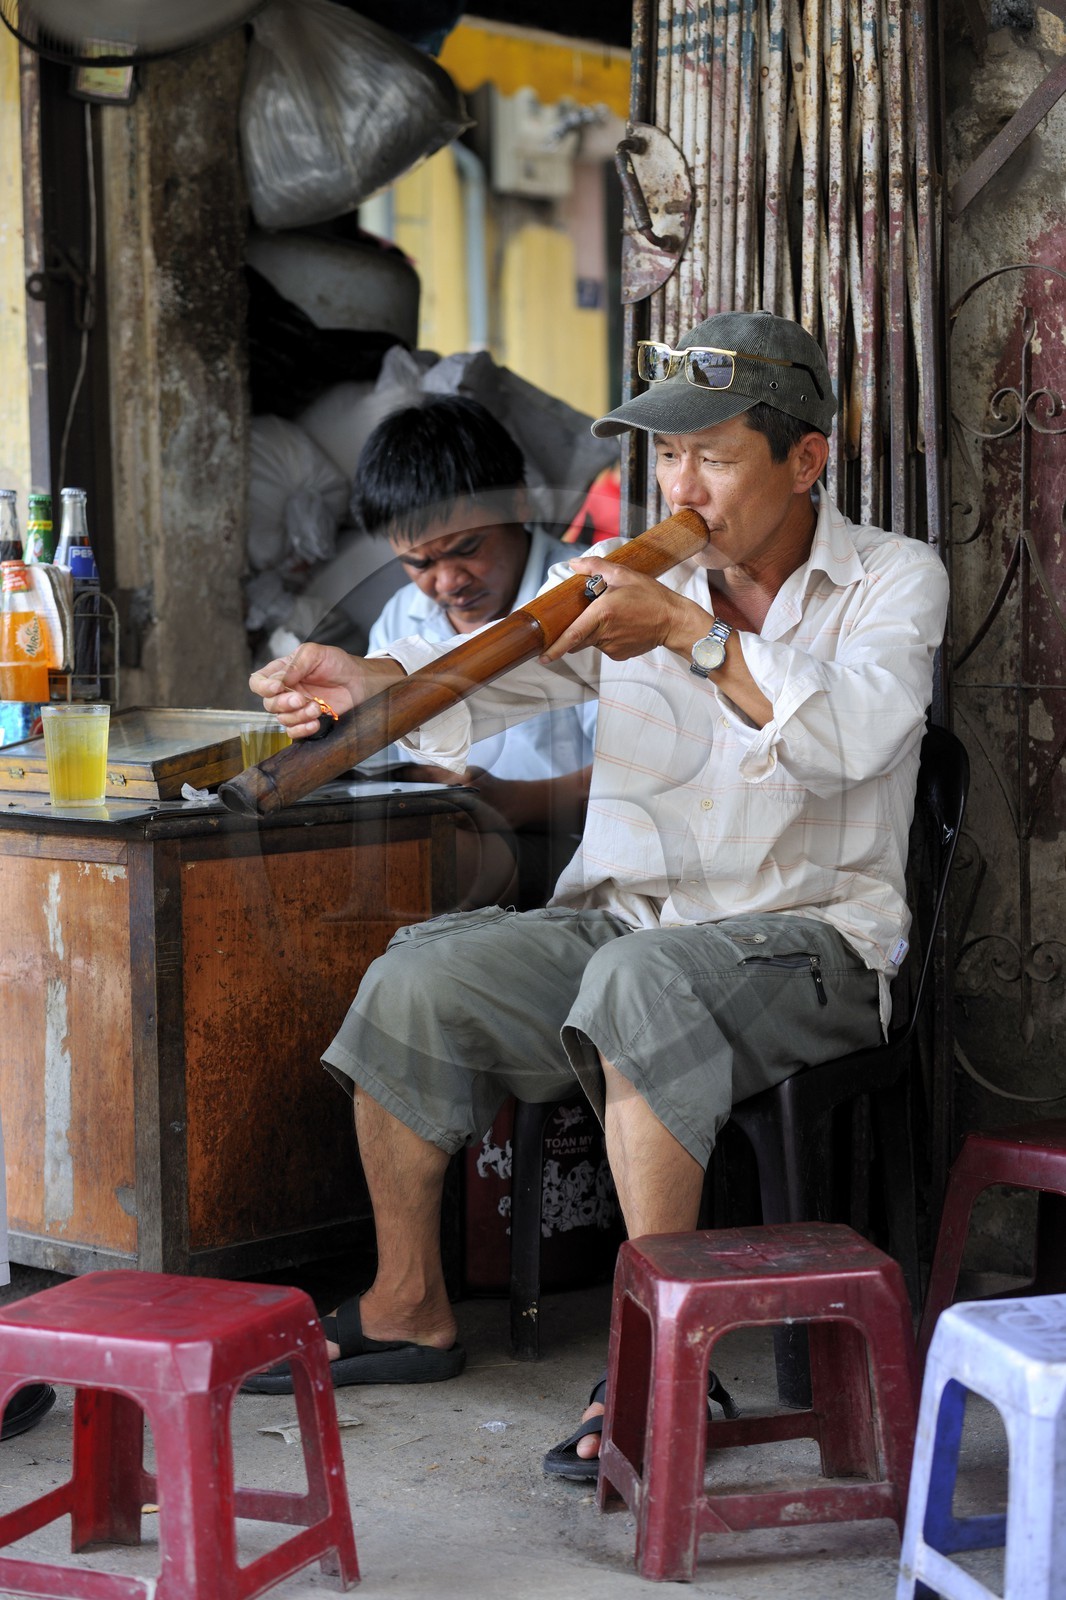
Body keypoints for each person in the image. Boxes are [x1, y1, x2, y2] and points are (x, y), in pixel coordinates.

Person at [242, 310, 949, 1481]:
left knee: (637, 978)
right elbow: (494, 689)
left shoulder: (891, 579)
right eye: (667, 457)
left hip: (812, 945)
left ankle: (661, 1353)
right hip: (630, 924)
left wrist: (691, 635)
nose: (682, 484)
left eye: (712, 456)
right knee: (420, 973)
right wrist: (369, 682)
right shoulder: (621, 578)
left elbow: (850, 740)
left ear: (805, 459)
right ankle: (410, 1304)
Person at [352, 394, 595, 909]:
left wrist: (513, 803)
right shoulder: (402, 618)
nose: (448, 582)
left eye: (467, 549)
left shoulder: (587, 594)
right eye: (419, 564)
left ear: (519, 505)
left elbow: (650, 775)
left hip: (581, 849)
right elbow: (384, 762)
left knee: (433, 866)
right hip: (464, 830)